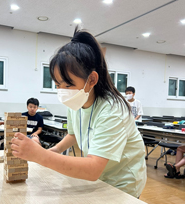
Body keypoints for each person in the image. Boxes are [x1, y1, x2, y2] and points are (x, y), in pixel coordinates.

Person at [11, 27, 146, 198]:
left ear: (91, 79)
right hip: (99, 180)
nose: (62, 91)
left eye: (67, 85)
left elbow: (93, 168)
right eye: (58, 84)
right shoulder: (77, 100)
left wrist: (41, 155)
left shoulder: (112, 110)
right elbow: (74, 134)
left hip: (122, 183)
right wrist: (54, 151)